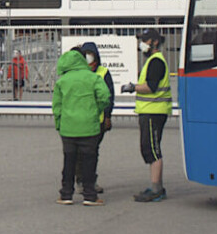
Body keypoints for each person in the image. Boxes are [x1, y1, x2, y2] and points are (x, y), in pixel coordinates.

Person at [52, 47, 110, 206]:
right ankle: (90, 195)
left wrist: (59, 124)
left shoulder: (62, 81)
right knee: (89, 161)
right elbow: (105, 97)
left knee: (69, 161)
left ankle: (66, 194)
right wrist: (96, 110)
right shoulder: (93, 78)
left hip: (68, 127)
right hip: (89, 126)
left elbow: (56, 107)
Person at [121, 28, 172, 203]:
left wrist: (132, 87)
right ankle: (156, 186)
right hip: (150, 111)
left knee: (153, 150)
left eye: (145, 40)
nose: (142, 44)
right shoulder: (152, 60)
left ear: (154, 42)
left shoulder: (156, 61)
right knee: (149, 148)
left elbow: (151, 87)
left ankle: (157, 188)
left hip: (153, 112)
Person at [76, 42, 114, 194]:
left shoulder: (103, 72)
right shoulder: (77, 72)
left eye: (90, 55)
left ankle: (90, 181)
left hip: (97, 120)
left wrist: (107, 116)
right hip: (80, 119)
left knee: (92, 152)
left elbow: (109, 96)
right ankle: (80, 180)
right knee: (79, 152)